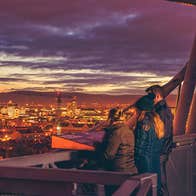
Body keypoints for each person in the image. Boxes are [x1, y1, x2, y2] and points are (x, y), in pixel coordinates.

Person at [99, 107, 137, 196]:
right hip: (130, 170)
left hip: (117, 173)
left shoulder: (116, 133)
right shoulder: (129, 131)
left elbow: (109, 155)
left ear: (111, 118)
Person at [133, 94, 165, 195]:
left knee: (146, 189)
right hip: (155, 159)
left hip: (144, 160)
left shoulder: (143, 122)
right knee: (155, 187)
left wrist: (135, 159)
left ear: (141, 109)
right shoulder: (157, 121)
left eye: (136, 109)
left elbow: (140, 146)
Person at [146, 85, 174, 196]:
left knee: (159, 183)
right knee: (160, 182)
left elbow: (164, 133)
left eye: (150, 96)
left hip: (159, 152)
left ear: (157, 96)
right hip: (163, 151)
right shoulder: (165, 110)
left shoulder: (160, 111)